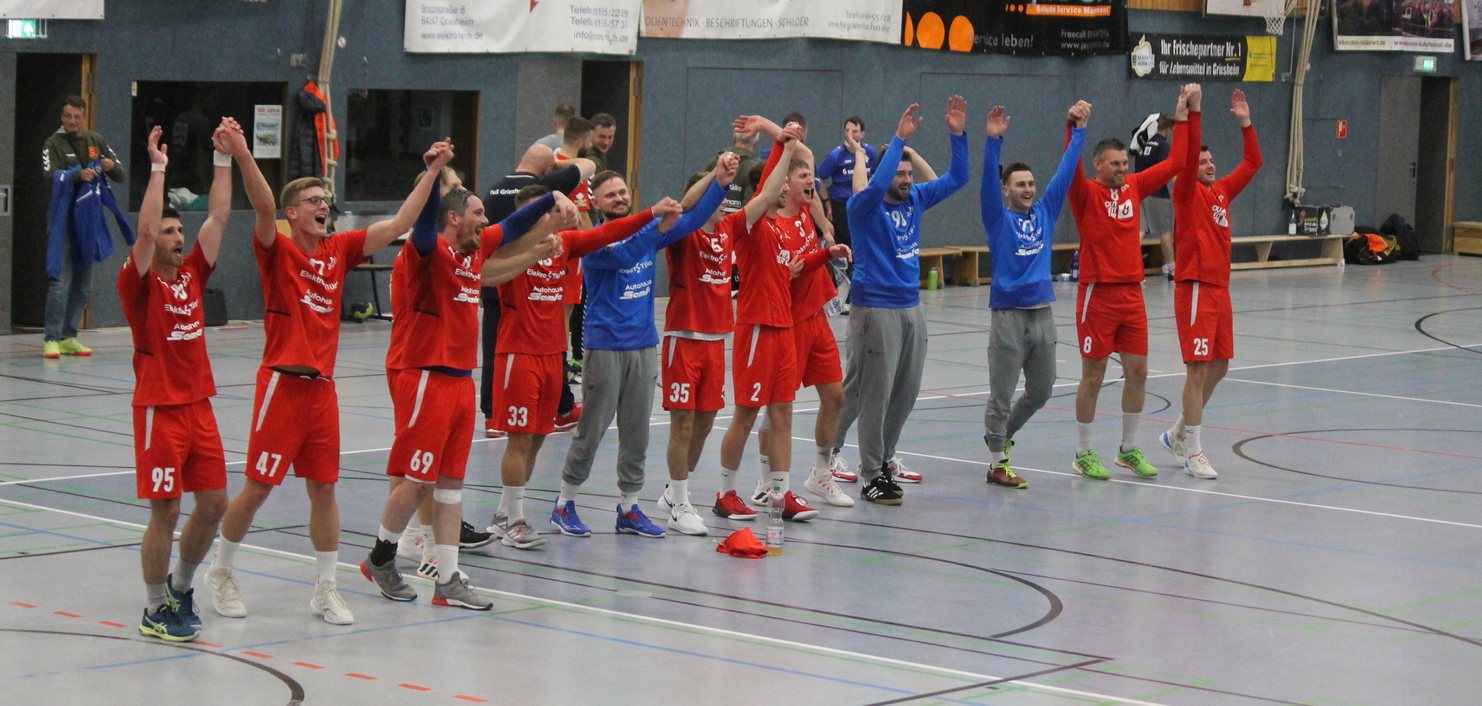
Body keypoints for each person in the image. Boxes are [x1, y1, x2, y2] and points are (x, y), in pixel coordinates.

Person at [205, 137, 454, 626]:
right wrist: (239, 152)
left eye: (325, 200)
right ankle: (220, 571)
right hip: (282, 384)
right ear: (293, 213)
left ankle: (325, 587)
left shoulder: (338, 250)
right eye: (313, 201)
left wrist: (431, 171)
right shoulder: (275, 249)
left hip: (322, 391)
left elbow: (400, 225)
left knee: (324, 491)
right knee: (257, 488)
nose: (324, 206)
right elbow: (260, 203)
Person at [361, 179, 572, 609]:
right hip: (425, 375)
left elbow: (514, 226)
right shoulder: (426, 252)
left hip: (460, 377)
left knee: (451, 486)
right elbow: (423, 226)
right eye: (477, 213)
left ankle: (448, 579)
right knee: (418, 480)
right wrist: (433, 174)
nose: (485, 220)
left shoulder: (471, 252)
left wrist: (552, 196)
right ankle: (380, 557)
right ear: (454, 217)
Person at [552, 161, 733, 538]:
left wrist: (719, 181)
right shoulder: (595, 241)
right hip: (605, 348)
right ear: (598, 203)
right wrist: (655, 224)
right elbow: (624, 254)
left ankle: (630, 508)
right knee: (593, 429)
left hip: (643, 346)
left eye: (622, 192)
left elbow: (696, 215)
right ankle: (564, 502)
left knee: (637, 433)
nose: (619, 198)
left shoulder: (651, 232)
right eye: (610, 195)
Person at [486, 186, 671, 549]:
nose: (548, 220)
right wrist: (537, 244)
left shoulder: (566, 244)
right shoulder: (509, 249)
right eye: (539, 215)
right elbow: (485, 273)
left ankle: (504, 512)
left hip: (552, 354)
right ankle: (515, 518)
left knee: (538, 437)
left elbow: (606, 233)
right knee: (519, 439)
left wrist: (651, 213)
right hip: (519, 354)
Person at [123, 120, 237, 642]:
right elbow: (143, 232)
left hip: (199, 406)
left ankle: (181, 587)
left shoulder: (192, 274)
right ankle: (152, 609)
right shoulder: (139, 284)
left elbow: (217, 215)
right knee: (165, 511)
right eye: (170, 230)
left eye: (178, 231)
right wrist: (158, 168)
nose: (176, 236)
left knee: (214, 504)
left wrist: (223, 157)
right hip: (158, 408)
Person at [835, 97, 970, 505]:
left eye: (910, 173)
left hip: (911, 306)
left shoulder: (915, 200)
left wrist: (957, 135)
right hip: (874, 307)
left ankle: (884, 459)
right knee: (871, 393)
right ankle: (869, 472)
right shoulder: (863, 206)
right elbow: (874, 184)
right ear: (884, 174)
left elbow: (958, 178)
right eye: (900, 172)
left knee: (905, 391)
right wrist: (896, 140)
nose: (908, 179)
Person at [716, 125, 849, 522]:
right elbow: (769, 190)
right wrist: (782, 143)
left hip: (782, 329)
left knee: (783, 414)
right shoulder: (751, 224)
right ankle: (724, 493)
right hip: (757, 328)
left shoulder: (781, 227)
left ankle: (780, 493)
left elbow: (791, 268)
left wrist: (824, 256)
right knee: (744, 413)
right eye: (783, 179)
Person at [1065, 85, 1192, 481]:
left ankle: (1128, 449)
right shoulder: (1085, 193)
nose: (1124, 168)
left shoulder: (1135, 188)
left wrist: (1183, 117)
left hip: (1132, 295)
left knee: (1138, 372)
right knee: (1095, 375)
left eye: (1125, 163)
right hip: (1096, 295)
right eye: (1116, 164)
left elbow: (1177, 162)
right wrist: (1074, 127)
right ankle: (1084, 453)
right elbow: (1068, 166)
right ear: (1099, 165)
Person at [978, 102, 1089, 489]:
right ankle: (997, 462)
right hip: (1008, 316)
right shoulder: (998, 217)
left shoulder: (1045, 211)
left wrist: (1078, 131)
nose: (1028, 189)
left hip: (1043, 315)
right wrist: (994, 142)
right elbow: (987, 188)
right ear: (1006, 189)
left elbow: (1065, 172)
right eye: (1019, 185)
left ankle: (1000, 437)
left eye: (1030, 184)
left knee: (1042, 389)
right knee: (1001, 393)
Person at [1160, 89, 1262, 480]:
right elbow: (1184, 161)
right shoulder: (1184, 193)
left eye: (1211, 160)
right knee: (1198, 371)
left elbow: (1254, 162)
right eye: (1202, 160)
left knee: (1220, 367)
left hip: (1221, 289)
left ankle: (1178, 433)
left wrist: (1245, 122)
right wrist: (1195, 112)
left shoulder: (1220, 193)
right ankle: (1193, 452)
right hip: (1196, 287)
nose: (1209, 164)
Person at [479, 145, 597, 438]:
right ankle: (562, 406)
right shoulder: (545, 186)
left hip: (495, 274)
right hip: (522, 276)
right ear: (547, 169)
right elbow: (589, 165)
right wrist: (559, 163)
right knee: (545, 336)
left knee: (493, 347)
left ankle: (493, 416)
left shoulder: (494, 189)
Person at [40, 95, 125, 359]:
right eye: (68, 116)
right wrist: (77, 175)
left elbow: (120, 172)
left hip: (88, 222)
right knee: (59, 283)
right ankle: (51, 338)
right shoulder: (52, 143)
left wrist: (110, 166)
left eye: (77, 116)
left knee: (83, 285)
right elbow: (49, 175)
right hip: (62, 222)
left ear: (83, 117)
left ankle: (69, 336)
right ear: (62, 117)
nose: (72, 121)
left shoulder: (96, 141)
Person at [816, 116, 877, 258]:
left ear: (863, 134)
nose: (850, 135)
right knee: (846, 242)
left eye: (854, 131)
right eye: (847, 131)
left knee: (865, 242)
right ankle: (845, 274)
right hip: (842, 206)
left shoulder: (870, 153)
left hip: (863, 205)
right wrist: (827, 204)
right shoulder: (836, 155)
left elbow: (874, 177)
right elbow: (822, 179)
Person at [1133, 114, 1178, 280]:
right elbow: (1165, 170)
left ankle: (1131, 267)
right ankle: (1171, 269)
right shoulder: (1163, 145)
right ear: (1167, 129)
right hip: (1158, 193)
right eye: (1172, 129)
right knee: (1165, 231)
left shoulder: (1142, 143)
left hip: (1139, 192)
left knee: (1139, 231)